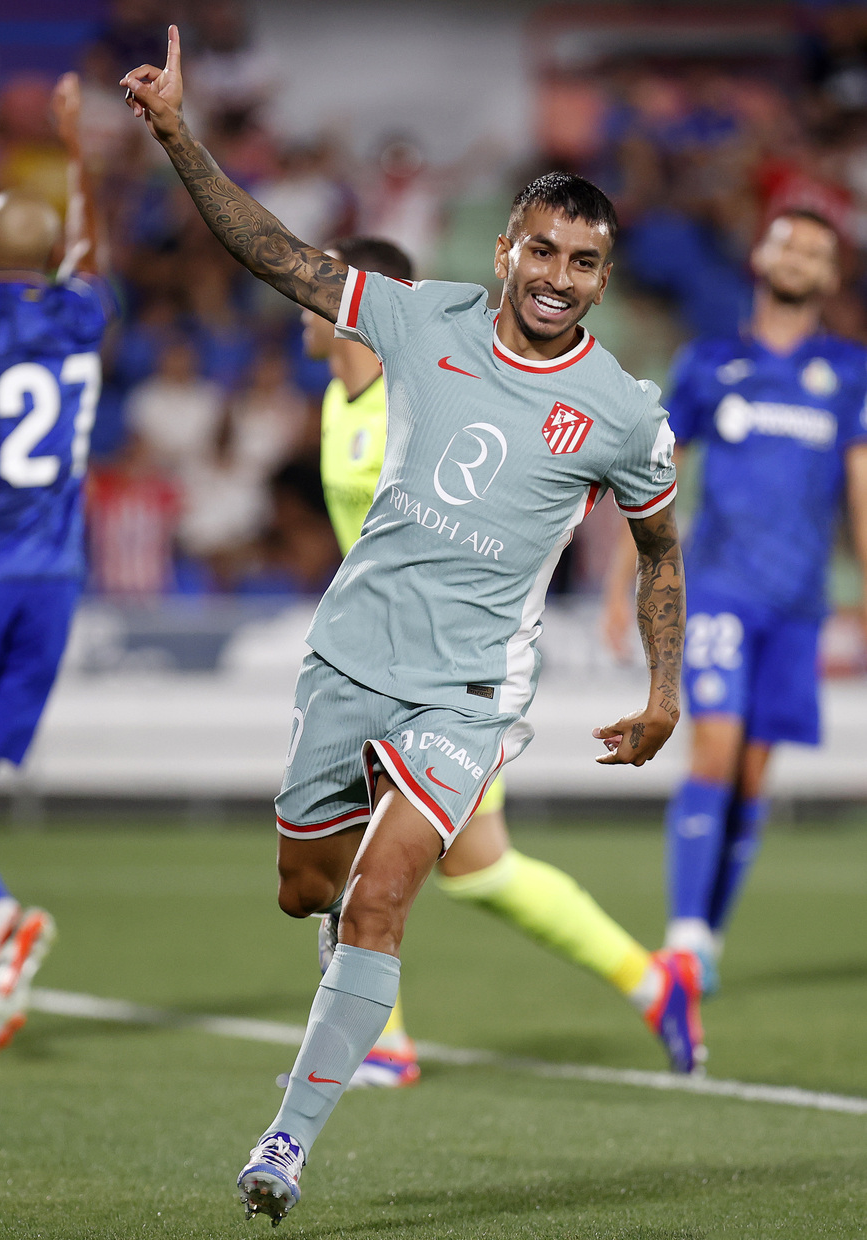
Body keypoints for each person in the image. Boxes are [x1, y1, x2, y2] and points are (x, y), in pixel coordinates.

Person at [122, 27, 699, 1225]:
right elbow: (275, 253)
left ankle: (285, 1140)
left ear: (602, 276)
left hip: (470, 695)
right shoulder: (419, 315)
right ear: (503, 247)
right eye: (541, 247)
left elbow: (657, 551)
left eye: (584, 260)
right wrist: (180, 135)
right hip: (350, 659)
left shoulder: (624, 413)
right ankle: (346, 964)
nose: (558, 274)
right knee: (306, 891)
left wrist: (663, 691)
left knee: (384, 899)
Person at [302, 231, 709, 1092]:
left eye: (333, 276)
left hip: (455, 674)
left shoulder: (413, 397)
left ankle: (383, 1042)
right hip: (383, 659)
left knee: (377, 851)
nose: (313, 295)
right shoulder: (339, 403)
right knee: (481, 870)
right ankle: (652, 982)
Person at [602, 209, 867, 994]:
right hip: (718, 587)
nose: (800, 257)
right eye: (788, 240)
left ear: (830, 276)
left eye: (816, 250)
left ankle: (705, 939)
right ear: (759, 253)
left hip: (799, 603)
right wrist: (625, 582)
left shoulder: (848, 371)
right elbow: (660, 476)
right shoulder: (711, 362)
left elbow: (860, 488)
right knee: (713, 751)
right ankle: (683, 938)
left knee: (754, 777)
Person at [0, 73, 114, 1051]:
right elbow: (86, 247)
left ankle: (3, 921)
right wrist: (77, 143)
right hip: (54, 581)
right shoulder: (81, 314)